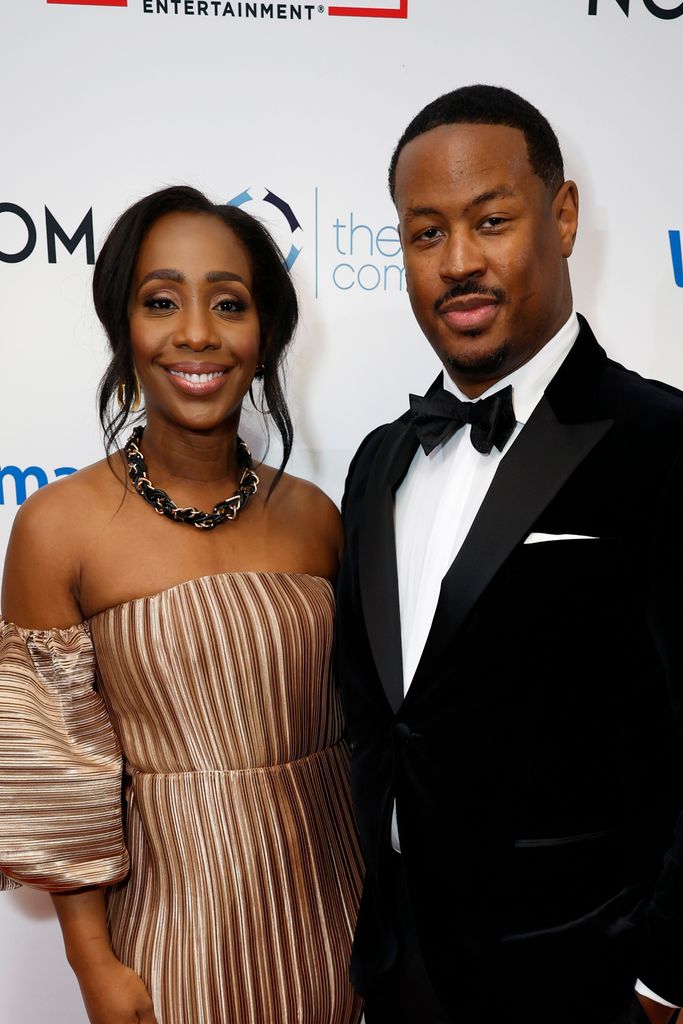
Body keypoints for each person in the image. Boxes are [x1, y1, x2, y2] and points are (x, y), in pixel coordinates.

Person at [337, 84, 683, 1024]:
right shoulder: (379, 464)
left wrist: (665, 978)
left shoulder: (660, 442)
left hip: (586, 987)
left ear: (561, 216)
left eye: (490, 221)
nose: (458, 264)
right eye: (424, 234)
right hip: (400, 976)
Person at [0, 185, 363, 1024]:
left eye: (227, 304)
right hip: (172, 941)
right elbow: (55, 784)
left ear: (265, 334)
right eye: (161, 302)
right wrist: (95, 966)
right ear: (123, 330)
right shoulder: (59, 528)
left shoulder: (316, 517)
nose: (196, 333)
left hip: (337, 920)